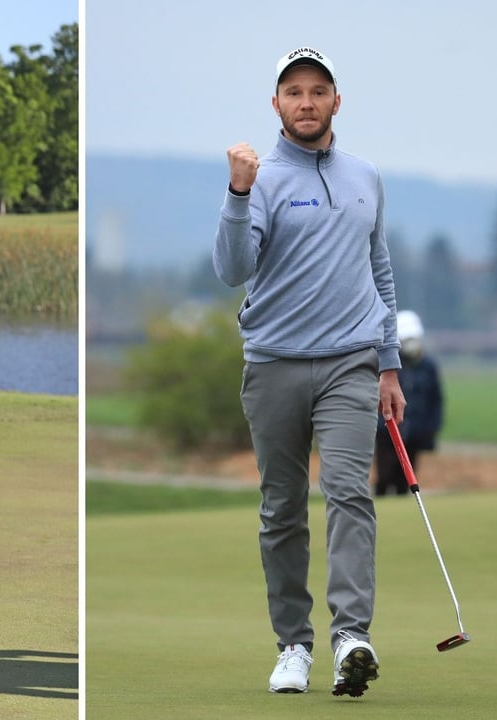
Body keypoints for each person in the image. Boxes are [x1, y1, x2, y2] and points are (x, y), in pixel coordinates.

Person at [213, 47, 405, 697]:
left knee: (351, 493)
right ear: (276, 105)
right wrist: (239, 192)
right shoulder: (261, 177)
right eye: (293, 91)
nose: (305, 101)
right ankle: (293, 644)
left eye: (317, 90)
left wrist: (389, 365)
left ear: (335, 101)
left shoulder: (365, 175)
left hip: (352, 362)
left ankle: (352, 634)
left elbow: (379, 272)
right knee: (283, 509)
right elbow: (232, 268)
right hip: (273, 365)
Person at [374, 310, 444, 496]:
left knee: (404, 481)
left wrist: (431, 428)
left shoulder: (428, 366)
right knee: (384, 477)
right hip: (386, 431)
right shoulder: (389, 366)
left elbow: (436, 399)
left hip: (415, 431)